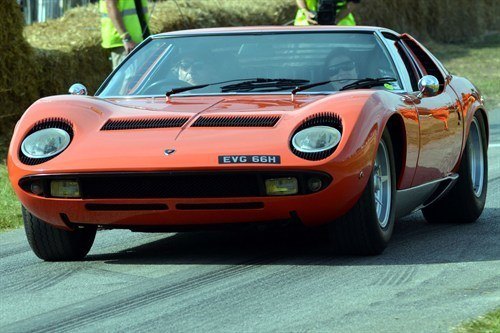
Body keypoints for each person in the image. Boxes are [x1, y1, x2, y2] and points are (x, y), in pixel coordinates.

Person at [100, 0, 150, 70]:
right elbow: (110, 6)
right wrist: (126, 38)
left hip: (139, 38)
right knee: (129, 78)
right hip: (124, 43)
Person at [294, 0, 360, 26]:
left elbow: (354, 2)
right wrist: (305, 12)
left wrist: (337, 19)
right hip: (308, 21)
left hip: (341, 24)